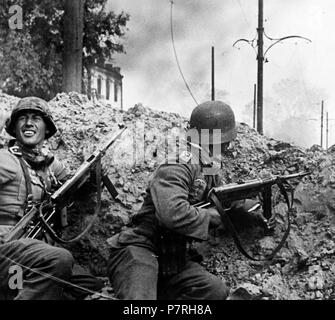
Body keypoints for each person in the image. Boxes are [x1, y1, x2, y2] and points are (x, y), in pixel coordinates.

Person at [107, 100, 242, 300]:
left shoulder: (209, 168)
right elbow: (172, 213)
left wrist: (250, 209)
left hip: (172, 258)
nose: (226, 146)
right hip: (141, 248)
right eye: (221, 141)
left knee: (213, 291)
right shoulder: (179, 165)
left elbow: (222, 200)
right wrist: (210, 217)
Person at [0, 97, 102, 300]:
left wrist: (94, 174)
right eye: (23, 119)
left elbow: (74, 188)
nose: (29, 123)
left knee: (87, 285)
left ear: (46, 129)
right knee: (59, 260)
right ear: (14, 128)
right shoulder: (6, 159)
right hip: (6, 253)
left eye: (36, 118)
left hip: (30, 253)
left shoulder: (49, 165)